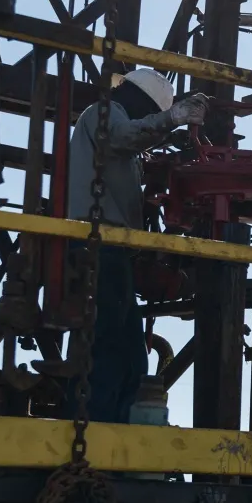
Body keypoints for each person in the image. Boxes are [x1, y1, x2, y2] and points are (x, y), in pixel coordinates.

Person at [63, 68, 208, 423]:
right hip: (97, 245)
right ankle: (95, 428)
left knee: (132, 355)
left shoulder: (125, 140)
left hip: (115, 249)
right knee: (108, 343)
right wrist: (171, 118)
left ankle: (121, 429)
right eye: (149, 112)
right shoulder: (105, 112)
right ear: (137, 99)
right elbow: (124, 136)